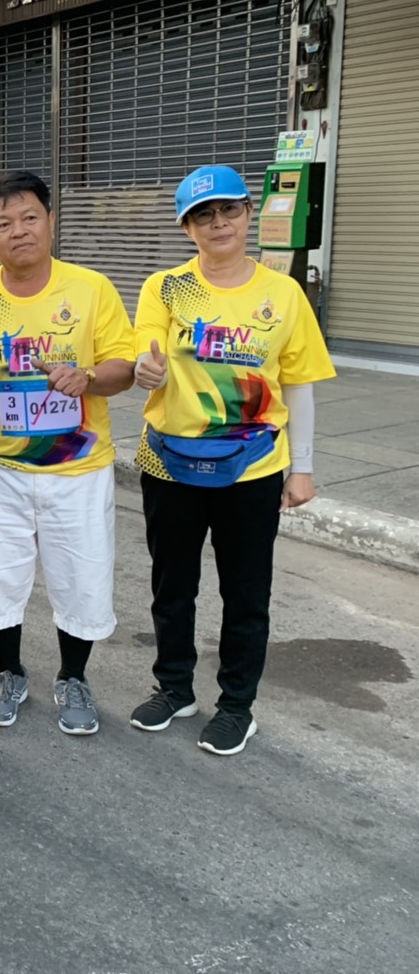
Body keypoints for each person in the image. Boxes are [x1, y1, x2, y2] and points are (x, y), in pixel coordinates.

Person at [129, 166, 335, 756]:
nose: (217, 223)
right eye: (202, 215)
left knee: (246, 594)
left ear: (248, 214)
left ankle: (237, 706)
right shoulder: (165, 288)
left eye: (228, 210)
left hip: (254, 465)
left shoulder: (283, 293)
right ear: (186, 227)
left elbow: (299, 383)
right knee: (173, 586)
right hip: (169, 461)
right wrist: (147, 369)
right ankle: (174, 688)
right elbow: (145, 352)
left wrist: (302, 468)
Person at [0, 171, 135, 737]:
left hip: (78, 469)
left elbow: (123, 367)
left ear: (51, 222)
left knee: (80, 578)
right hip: (1, 469)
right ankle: (8, 672)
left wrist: (86, 377)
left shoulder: (91, 289)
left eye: (29, 217)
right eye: (3, 223)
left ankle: (73, 677)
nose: (19, 231)